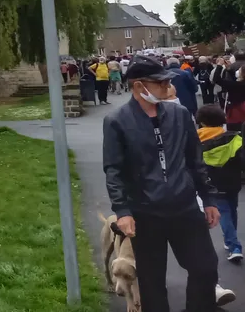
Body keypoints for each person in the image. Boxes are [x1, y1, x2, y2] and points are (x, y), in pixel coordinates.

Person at [103, 54, 223, 312]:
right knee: (151, 281)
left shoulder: (179, 114)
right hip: (145, 213)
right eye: (160, 83)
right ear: (139, 86)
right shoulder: (117, 122)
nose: (167, 87)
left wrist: (209, 199)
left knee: (205, 267)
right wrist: (122, 211)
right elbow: (114, 170)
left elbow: (195, 160)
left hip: (184, 207)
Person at [197, 104, 245, 261]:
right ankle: (231, 240)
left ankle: (234, 245)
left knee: (223, 212)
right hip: (233, 182)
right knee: (232, 209)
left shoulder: (197, 142)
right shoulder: (234, 138)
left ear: (202, 122)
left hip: (214, 184)